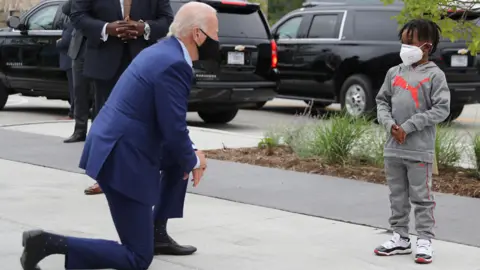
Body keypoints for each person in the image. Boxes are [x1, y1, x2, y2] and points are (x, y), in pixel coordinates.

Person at [19, 2, 218, 269]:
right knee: (137, 258)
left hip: (118, 144)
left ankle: (156, 232)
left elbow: (169, 122)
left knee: (178, 160)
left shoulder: (163, 52)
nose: (218, 41)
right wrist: (194, 160)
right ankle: (47, 243)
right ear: (197, 34)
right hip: (122, 158)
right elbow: (173, 128)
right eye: (215, 34)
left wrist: (188, 156)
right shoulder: (173, 65)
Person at [70, 0, 174, 194]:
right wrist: (106, 28)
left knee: (145, 122)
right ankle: (104, 178)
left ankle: (141, 176)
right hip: (104, 62)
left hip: (144, 62)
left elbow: (168, 19)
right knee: (105, 122)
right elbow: (78, 15)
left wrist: (145, 28)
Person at [374, 19, 450, 264]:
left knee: (421, 197)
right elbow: (381, 102)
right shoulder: (393, 73)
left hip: (419, 151)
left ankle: (425, 240)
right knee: (397, 195)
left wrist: (408, 126)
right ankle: (400, 237)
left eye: (410, 42)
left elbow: (442, 109)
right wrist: (390, 125)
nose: (405, 47)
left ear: (426, 46)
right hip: (393, 149)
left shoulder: (435, 76)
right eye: (403, 42)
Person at [63, 0, 92, 144]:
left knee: (99, 94)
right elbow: (66, 8)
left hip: (100, 46)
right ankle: (79, 130)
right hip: (79, 49)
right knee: (79, 91)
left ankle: (96, 132)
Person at [56, 5, 74, 120]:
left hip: (70, 60)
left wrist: (58, 42)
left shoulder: (70, 24)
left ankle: (73, 112)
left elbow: (65, 42)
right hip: (72, 60)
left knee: (74, 89)